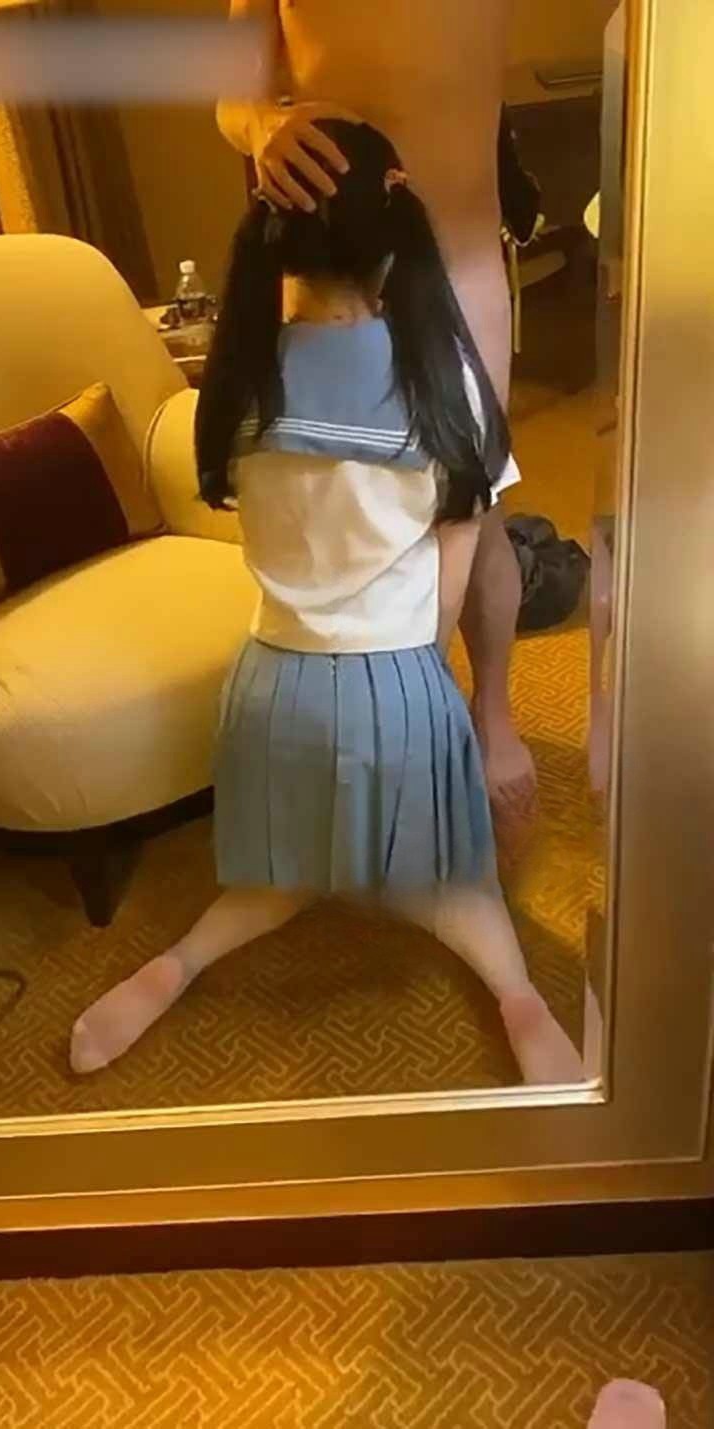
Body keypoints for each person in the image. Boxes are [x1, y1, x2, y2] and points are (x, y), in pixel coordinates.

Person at [69, 121, 582, 1086]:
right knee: (459, 888)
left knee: (282, 878)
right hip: (398, 688)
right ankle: (520, 996)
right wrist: (431, 695)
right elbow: (452, 578)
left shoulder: (235, 384)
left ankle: (176, 961)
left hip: (269, 690)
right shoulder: (446, 383)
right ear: (394, 233)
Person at [216, 0, 537, 853]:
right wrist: (263, 124)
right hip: (329, 264)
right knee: (337, 503)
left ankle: (491, 712)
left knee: (473, 510)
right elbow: (233, 92)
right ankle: (383, 713)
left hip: (459, 264)